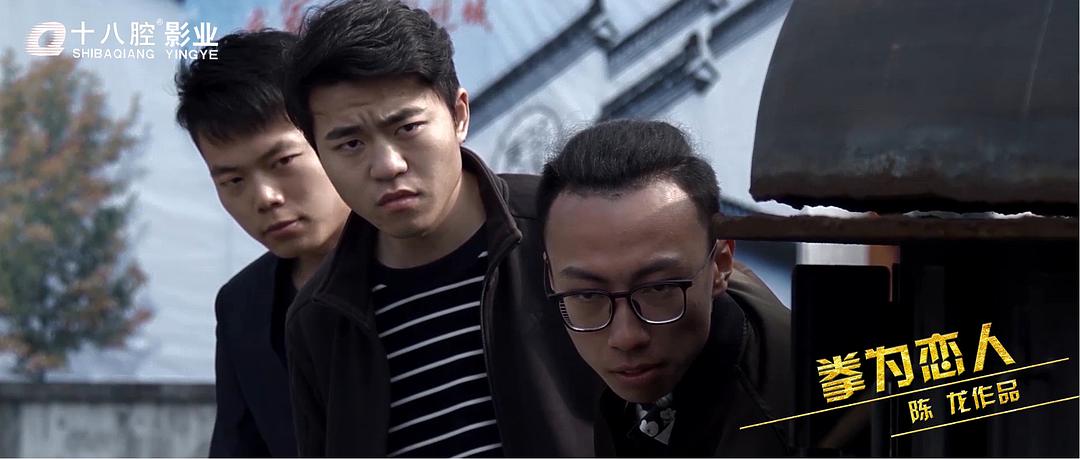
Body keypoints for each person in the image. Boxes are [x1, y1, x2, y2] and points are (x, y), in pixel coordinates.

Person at [280, 0, 600, 456]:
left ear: (459, 115)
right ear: (319, 154)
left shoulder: (564, 225)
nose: (387, 165)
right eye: (350, 144)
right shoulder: (319, 319)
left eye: (407, 127)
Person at [537, 119, 794, 456]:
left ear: (721, 264)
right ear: (550, 277)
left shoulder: (797, 421)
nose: (626, 337)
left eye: (658, 289)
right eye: (588, 294)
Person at [174, 30, 351, 457]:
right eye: (233, 181)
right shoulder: (242, 306)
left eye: (283, 161)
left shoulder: (422, 257)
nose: (265, 197)